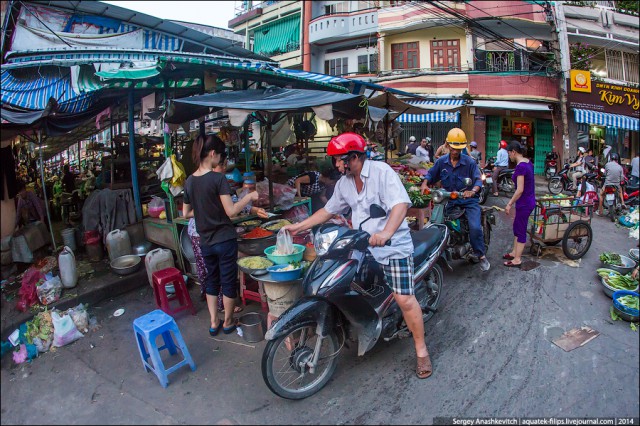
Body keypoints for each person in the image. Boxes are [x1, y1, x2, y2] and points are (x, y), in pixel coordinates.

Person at [282, 132, 433, 380]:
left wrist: (385, 232)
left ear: (354, 157)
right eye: (335, 161)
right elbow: (328, 211)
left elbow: (400, 206)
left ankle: (421, 351)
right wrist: (298, 227)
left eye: (339, 160)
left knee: (404, 298)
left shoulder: (382, 172)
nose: (336, 165)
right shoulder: (344, 184)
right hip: (363, 245)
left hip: (392, 246)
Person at [182, 134, 267, 337]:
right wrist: (249, 197)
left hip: (206, 242)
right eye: (220, 156)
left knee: (212, 281)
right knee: (228, 281)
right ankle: (228, 322)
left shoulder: (190, 181)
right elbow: (231, 211)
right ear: (212, 154)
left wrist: (204, 211)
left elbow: (186, 213)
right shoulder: (217, 178)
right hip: (224, 239)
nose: (221, 160)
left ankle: (213, 322)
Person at [421, 128, 490, 272]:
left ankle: (481, 254)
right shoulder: (441, 162)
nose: (455, 152)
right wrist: (424, 183)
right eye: (453, 148)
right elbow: (431, 174)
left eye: (458, 149)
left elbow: (478, 180)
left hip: (468, 201)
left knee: (475, 228)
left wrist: (473, 191)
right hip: (449, 200)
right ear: (447, 145)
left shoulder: (469, 162)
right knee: (437, 223)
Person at [502, 142, 536, 268]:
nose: (509, 156)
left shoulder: (521, 166)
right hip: (528, 200)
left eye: (509, 153)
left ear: (514, 152)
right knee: (517, 226)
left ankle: (517, 259)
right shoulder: (528, 162)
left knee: (520, 229)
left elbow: (520, 189)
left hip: (524, 202)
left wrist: (509, 204)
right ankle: (514, 252)